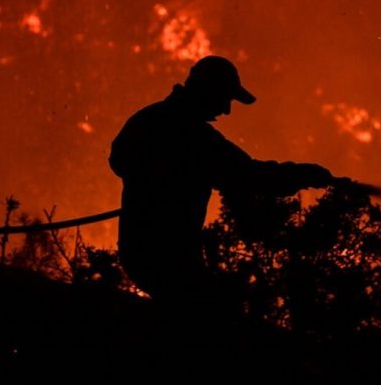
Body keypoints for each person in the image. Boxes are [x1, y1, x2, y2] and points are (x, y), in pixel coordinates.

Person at [109, 56, 333, 308]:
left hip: (139, 250)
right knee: (216, 316)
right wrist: (305, 174)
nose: (227, 110)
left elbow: (118, 161)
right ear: (208, 91)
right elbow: (250, 175)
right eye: (226, 98)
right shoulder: (196, 138)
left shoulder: (148, 119)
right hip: (169, 256)